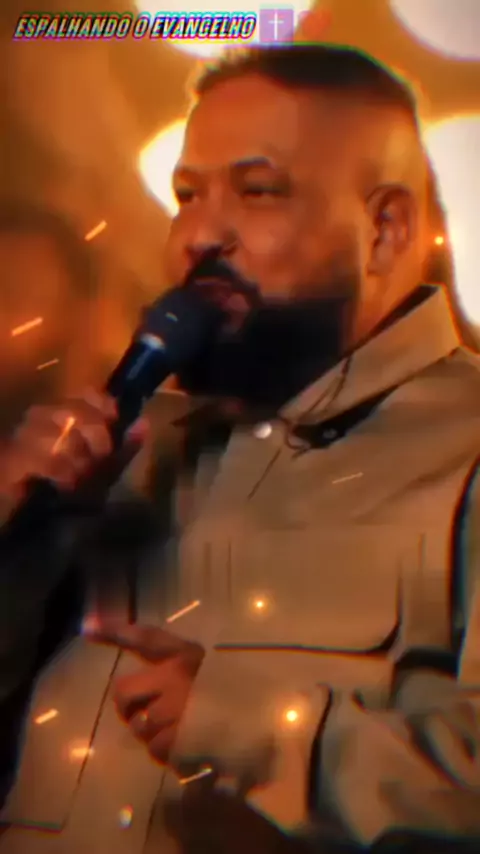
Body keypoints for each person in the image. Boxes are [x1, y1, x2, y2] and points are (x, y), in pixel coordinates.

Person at [1, 43, 480, 854]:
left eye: (258, 191)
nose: (199, 234)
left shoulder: (464, 446)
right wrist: (19, 533)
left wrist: (254, 730)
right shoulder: (128, 454)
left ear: (385, 228)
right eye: (187, 195)